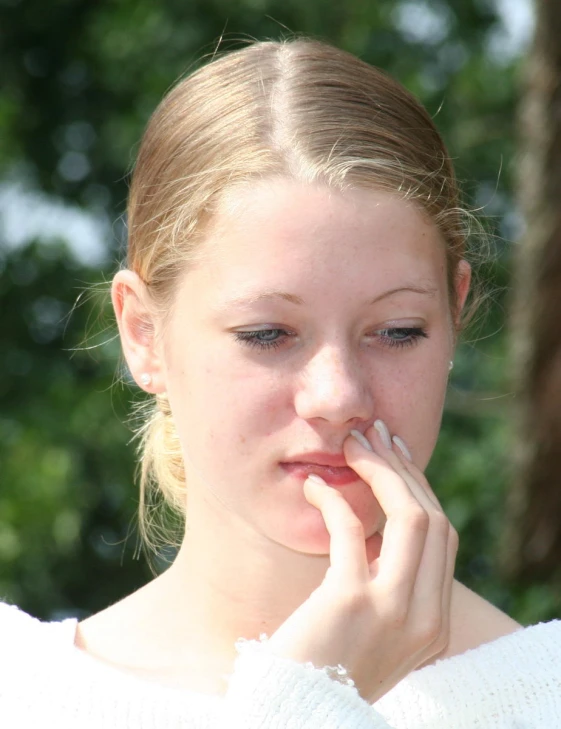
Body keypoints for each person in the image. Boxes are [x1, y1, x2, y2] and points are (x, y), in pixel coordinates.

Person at [1, 37, 559, 729]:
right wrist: (309, 698)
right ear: (142, 334)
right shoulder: (20, 689)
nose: (338, 397)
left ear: (455, 311)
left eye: (396, 331)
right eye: (267, 334)